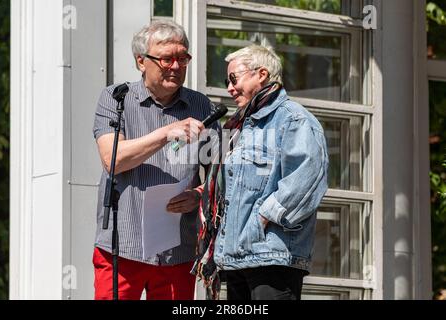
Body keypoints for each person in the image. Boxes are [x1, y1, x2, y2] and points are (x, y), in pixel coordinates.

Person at [92, 20, 219, 300]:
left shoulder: (202, 107)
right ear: (141, 61)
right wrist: (165, 134)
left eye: (182, 58)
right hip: (121, 247)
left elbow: (220, 175)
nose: (176, 66)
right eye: (166, 59)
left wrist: (199, 195)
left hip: (178, 250)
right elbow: (113, 159)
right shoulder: (116, 99)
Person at [193, 45, 329, 300]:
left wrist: (262, 218)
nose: (229, 88)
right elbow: (229, 187)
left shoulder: (293, 119)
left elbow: (308, 179)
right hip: (236, 257)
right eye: (227, 80)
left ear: (262, 74)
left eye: (234, 79)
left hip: (272, 256)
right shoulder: (238, 126)